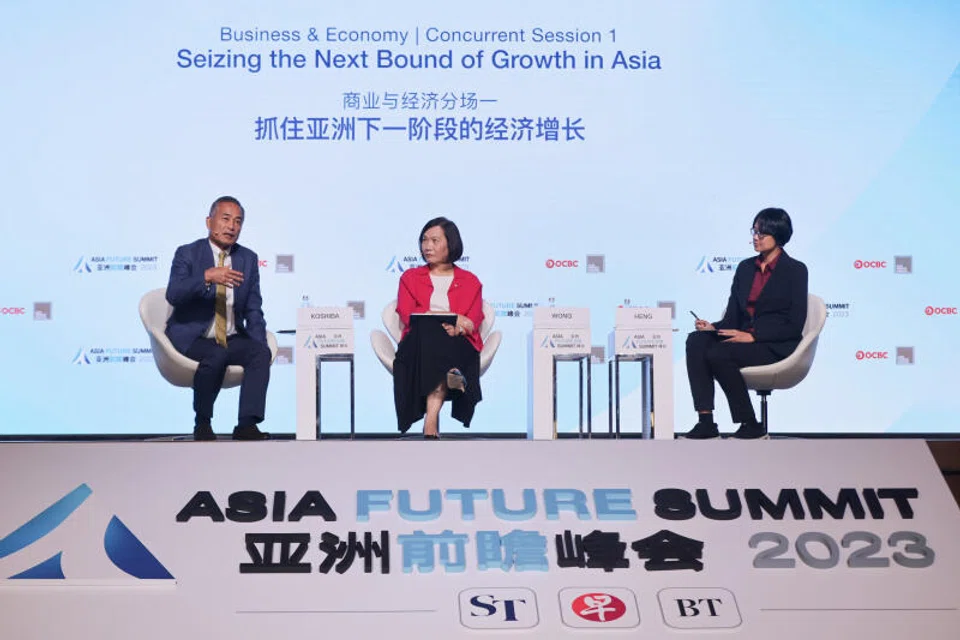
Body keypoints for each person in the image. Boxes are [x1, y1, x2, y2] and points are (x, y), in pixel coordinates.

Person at [681, 207, 808, 440]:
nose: (755, 238)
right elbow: (732, 318)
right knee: (697, 340)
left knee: (719, 353)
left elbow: (794, 324)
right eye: (754, 232)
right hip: (743, 339)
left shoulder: (795, 270)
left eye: (762, 233)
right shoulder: (745, 268)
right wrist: (714, 328)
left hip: (774, 343)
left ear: (778, 235)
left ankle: (750, 423)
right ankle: (706, 421)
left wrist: (754, 335)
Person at [165, 196, 271, 441]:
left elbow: (254, 307)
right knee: (216, 354)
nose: (231, 227)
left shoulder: (248, 258)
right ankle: (202, 422)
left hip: (231, 335)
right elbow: (174, 294)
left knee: (260, 354)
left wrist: (259, 343)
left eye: (238, 221)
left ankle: (246, 424)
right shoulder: (188, 253)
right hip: (194, 334)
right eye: (225, 219)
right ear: (209, 221)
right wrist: (207, 276)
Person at [393, 217, 484, 438]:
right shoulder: (410, 277)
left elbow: (472, 319)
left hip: (457, 342)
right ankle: (451, 382)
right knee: (430, 333)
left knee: (442, 342)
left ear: (450, 243)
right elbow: (407, 313)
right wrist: (449, 319)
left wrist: (459, 328)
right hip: (419, 344)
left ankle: (430, 418)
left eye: (434, 240)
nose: (427, 246)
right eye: (424, 240)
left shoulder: (470, 281)